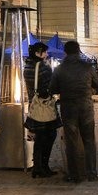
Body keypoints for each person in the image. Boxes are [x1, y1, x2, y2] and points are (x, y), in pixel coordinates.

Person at [49, 40, 98, 183]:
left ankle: (74, 174)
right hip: (86, 108)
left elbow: (52, 89)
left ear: (65, 52)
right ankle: (92, 173)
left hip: (68, 109)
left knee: (71, 142)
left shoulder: (59, 69)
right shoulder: (88, 67)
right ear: (78, 51)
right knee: (89, 141)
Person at [23, 42, 59, 178]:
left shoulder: (27, 66)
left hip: (34, 105)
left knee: (39, 137)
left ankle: (37, 167)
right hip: (44, 106)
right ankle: (43, 166)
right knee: (49, 135)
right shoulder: (43, 67)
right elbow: (51, 87)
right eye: (45, 52)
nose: (47, 54)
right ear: (38, 53)